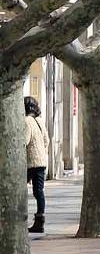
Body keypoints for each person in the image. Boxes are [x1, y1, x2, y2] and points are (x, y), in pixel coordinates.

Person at [25, 96, 48, 235]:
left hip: (31, 162)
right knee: (39, 191)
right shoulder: (39, 121)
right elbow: (46, 140)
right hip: (41, 161)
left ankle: (19, 216)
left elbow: (25, 140)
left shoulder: (27, 121)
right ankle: (40, 220)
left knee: (21, 189)